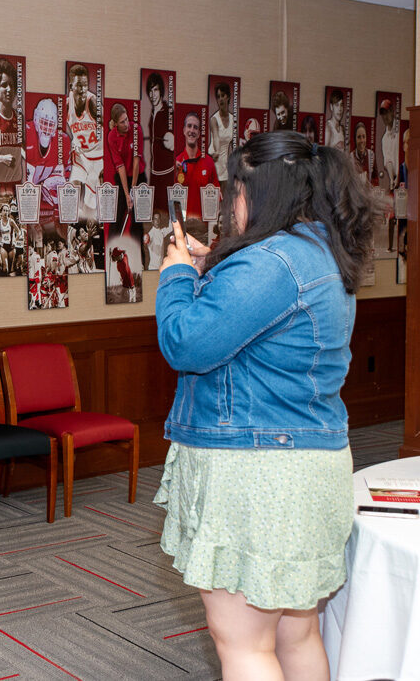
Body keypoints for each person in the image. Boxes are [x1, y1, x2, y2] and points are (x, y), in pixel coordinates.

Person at [155, 131, 379, 681]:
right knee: (295, 634)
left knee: (245, 647)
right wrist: (217, 272)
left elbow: (185, 342)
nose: (231, 204)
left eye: (236, 190)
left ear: (265, 191)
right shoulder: (319, 252)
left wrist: (177, 275)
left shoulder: (273, 263)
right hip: (308, 467)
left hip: (261, 476)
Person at [26, 97, 71, 235]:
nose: (46, 128)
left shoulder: (63, 140)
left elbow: (67, 173)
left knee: (61, 183)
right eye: (43, 122)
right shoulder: (26, 132)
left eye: (50, 124)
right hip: (26, 194)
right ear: (36, 119)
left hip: (46, 199)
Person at [175, 111, 220, 244]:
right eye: (189, 126)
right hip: (183, 232)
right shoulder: (176, 163)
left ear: (199, 133)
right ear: (184, 130)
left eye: (195, 127)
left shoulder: (208, 162)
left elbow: (217, 196)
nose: (192, 130)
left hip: (203, 233)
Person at [65, 63, 103, 218]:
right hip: (81, 153)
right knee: (73, 185)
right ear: (71, 86)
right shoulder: (67, 104)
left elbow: (108, 127)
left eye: (85, 86)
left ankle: (89, 225)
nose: (82, 90)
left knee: (90, 203)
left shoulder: (92, 102)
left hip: (98, 155)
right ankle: (72, 224)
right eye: (79, 85)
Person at [105, 103, 146, 235]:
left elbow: (136, 162)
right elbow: (120, 167)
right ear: (116, 123)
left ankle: (136, 251)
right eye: (122, 122)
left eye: (127, 119)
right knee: (117, 218)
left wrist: (133, 190)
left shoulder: (136, 129)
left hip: (138, 177)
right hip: (123, 179)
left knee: (137, 220)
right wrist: (127, 194)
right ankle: (112, 251)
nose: (127, 124)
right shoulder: (111, 137)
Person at [145, 71, 174, 210]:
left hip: (167, 173)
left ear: (161, 90)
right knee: (153, 214)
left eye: (155, 89)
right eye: (150, 90)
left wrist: (172, 141)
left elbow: (176, 141)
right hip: (154, 172)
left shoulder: (168, 112)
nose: (153, 94)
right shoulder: (152, 112)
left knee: (166, 214)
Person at [208, 82, 235, 195]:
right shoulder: (214, 119)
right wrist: (217, 151)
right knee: (214, 195)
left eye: (223, 95)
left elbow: (234, 143)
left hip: (225, 160)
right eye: (218, 97)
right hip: (214, 157)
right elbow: (215, 137)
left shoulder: (233, 119)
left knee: (225, 196)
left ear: (228, 97)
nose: (221, 99)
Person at [378, 99, 399, 192]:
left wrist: (399, 176)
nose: (385, 116)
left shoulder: (400, 129)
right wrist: (391, 179)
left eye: (387, 112)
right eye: (383, 114)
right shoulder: (384, 138)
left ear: (392, 112)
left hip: (406, 174)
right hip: (395, 179)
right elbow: (388, 160)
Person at [351, 120, 376, 185]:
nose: (362, 140)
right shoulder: (351, 157)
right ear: (355, 139)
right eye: (359, 137)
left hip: (368, 193)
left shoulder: (371, 155)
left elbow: (376, 180)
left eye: (363, 137)